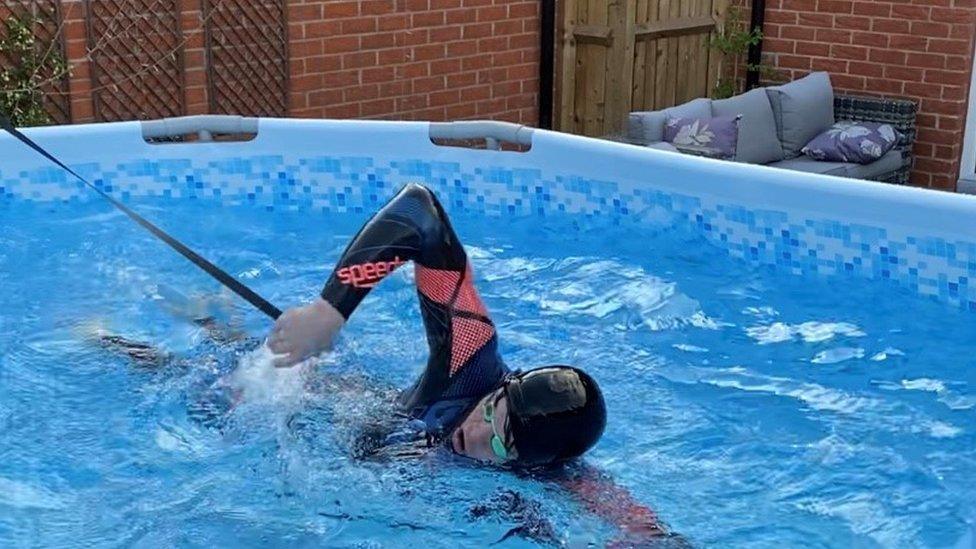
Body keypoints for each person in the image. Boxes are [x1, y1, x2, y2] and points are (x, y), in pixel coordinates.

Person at [94, 183, 680, 545]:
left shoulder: (549, 471)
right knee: (208, 381)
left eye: (500, 446)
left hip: (346, 448)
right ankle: (102, 336)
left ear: (531, 462)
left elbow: (640, 525)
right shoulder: (473, 365)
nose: (476, 432)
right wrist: (330, 310)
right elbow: (420, 213)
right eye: (492, 411)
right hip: (324, 407)